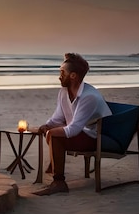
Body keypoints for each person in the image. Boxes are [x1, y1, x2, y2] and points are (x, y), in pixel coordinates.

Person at [33, 53, 111, 196]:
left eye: (62, 72)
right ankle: (54, 166)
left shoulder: (89, 97)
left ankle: (59, 182)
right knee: (51, 130)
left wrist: (51, 133)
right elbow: (58, 118)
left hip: (95, 137)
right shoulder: (64, 92)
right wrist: (47, 126)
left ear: (73, 76)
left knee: (55, 136)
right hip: (82, 132)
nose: (59, 76)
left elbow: (74, 129)